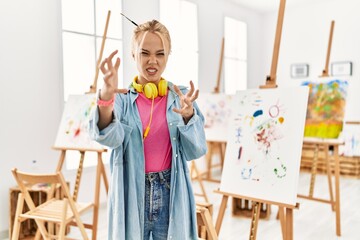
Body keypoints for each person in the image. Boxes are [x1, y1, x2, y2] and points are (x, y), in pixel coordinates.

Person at [89, 19, 207, 240]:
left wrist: (189, 116)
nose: (152, 61)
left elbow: (196, 150)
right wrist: (106, 97)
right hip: (133, 192)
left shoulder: (180, 98)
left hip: (170, 190)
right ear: (134, 54)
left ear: (168, 55)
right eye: (145, 53)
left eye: (160, 54)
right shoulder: (122, 99)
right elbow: (108, 137)